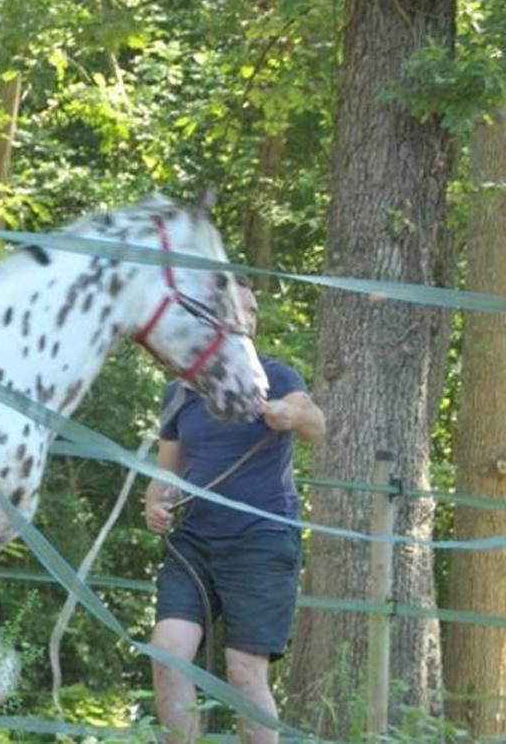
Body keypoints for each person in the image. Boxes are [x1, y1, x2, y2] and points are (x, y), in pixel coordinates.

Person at [144, 283, 326, 744]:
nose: (248, 316)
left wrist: (287, 413)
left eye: (253, 308)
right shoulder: (179, 392)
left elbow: (315, 425)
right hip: (195, 543)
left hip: (261, 539)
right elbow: (167, 472)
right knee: (167, 653)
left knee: (245, 673)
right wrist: (155, 503)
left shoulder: (276, 377)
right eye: (236, 309)